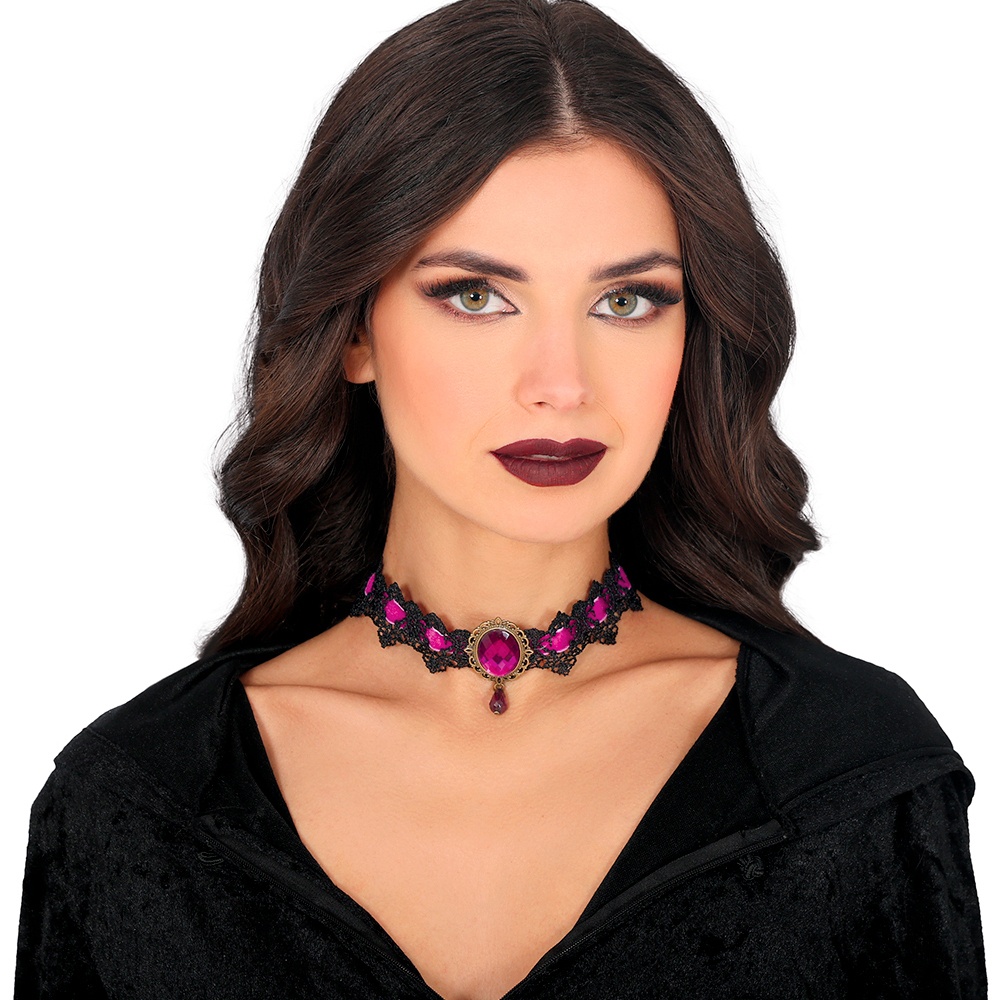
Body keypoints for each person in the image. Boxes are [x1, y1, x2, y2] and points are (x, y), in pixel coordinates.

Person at [14, 0, 987, 996]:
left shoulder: (849, 778)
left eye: (626, 301)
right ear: (353, 330)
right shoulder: (137, 801)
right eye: (476, 296)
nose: (560, 384)